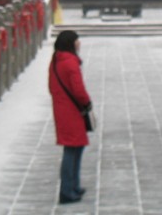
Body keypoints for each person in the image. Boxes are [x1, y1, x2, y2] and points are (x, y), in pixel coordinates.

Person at [49, 30, 92, 204]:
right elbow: (78, 88)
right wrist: (86, 102)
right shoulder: (70, 63)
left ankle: (74, 185)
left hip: (63, 108)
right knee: (72, 149)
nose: (78, 44)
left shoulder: (56, 61)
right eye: (76, 41)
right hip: (72, 111)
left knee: (76, 147)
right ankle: (67, 190)